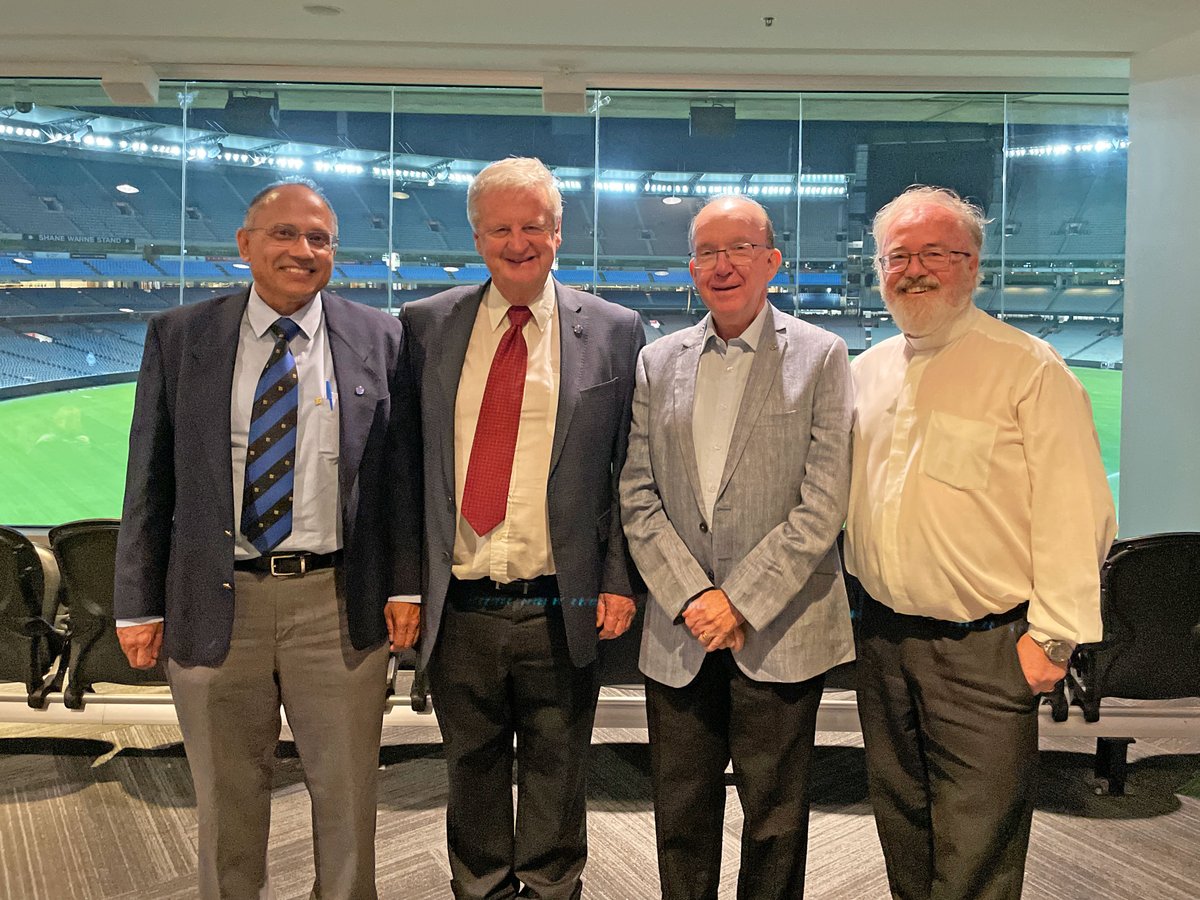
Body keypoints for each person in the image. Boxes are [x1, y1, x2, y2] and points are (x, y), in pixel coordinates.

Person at [114, 178, 420, 900]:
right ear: (245, 244)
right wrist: (136, 600)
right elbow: (148, 475)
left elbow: (402, 478)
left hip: (337, 600)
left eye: (319, 239)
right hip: (217, 600)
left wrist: (405, 583)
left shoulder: (382, 336)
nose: (302, 250)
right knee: (227, 801)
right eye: (284, 233)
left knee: (348, 801)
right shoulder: (182, 335)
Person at [845, 185, 1117, 900]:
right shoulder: (865, 372)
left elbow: (1077, 511)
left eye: (934, 253)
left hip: (987, 651)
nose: (913, 270)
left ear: (972, 266)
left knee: (978, 847)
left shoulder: (1028, 368)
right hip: (882, 643)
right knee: (903, 828)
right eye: (897, 256)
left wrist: (1054, 640)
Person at [396, 156, 644, 900]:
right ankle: (477, 889)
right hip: (461, 599)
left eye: (532, 225)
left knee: (559, 770)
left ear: (558, 231)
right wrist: (406, 585)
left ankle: (550, 889)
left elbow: (628, 471)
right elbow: (405, 472)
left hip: (560, 601)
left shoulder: (613, 330)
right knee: (467, 769)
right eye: (500, 228)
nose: (517, 241)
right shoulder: (425, 326)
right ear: (477, 237)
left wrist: (616, 581)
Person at [620, 194, 854, 900]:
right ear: (691, 267)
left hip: (780, 629)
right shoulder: (659, 361)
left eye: (739, 248)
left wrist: (741, 601)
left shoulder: (821, 356)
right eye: (707, 253)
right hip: (681, 630)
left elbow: (824, 502)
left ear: (772, 261)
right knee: (679, 814)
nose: (722, 266)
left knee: (775, 819)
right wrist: (695, 597)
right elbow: (637, 494)